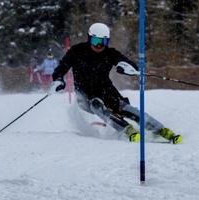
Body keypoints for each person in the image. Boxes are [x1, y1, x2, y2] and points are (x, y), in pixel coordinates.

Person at [49, 22, 182, 144]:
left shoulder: (109, 53)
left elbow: (124, 61)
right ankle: (126, 129)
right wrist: (58, 80)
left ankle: (161, 130)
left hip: (105, 89)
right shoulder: (76, 51)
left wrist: (127, 67)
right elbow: (61, 68)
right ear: (89, 39)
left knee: (125, 108)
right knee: (97, 105)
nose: (99, 46)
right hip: (85, 93)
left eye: (103, 42)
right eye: (96, 41)